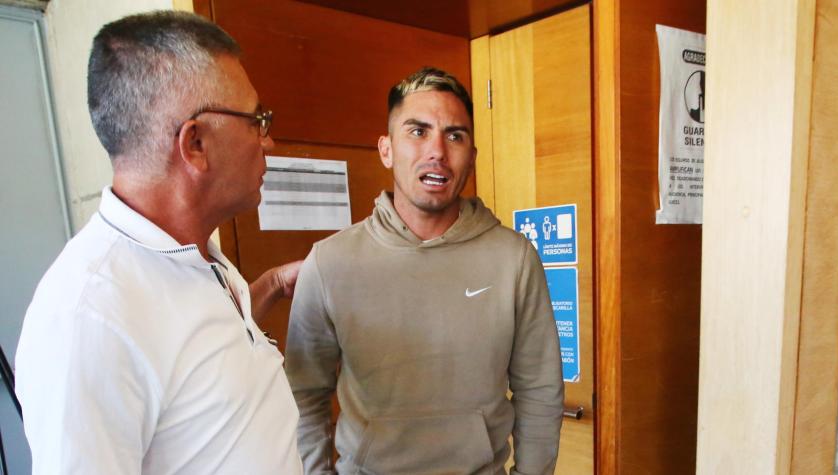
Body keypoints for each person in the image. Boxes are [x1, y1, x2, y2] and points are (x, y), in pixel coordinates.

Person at [15, 11, 303, 474]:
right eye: (257, 120)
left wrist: (269, 285)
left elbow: (192, 355)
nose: (267, 142)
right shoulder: (87, 318)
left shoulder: (195, 254)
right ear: (195, 145)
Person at [286, 67, 564, 475]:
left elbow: (539, 390)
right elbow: (304, 396)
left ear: (472, 155)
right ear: (386, 149)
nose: (437, 150)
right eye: (417, 131)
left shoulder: (514, 258)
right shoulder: (330, 262)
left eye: (455, 136)